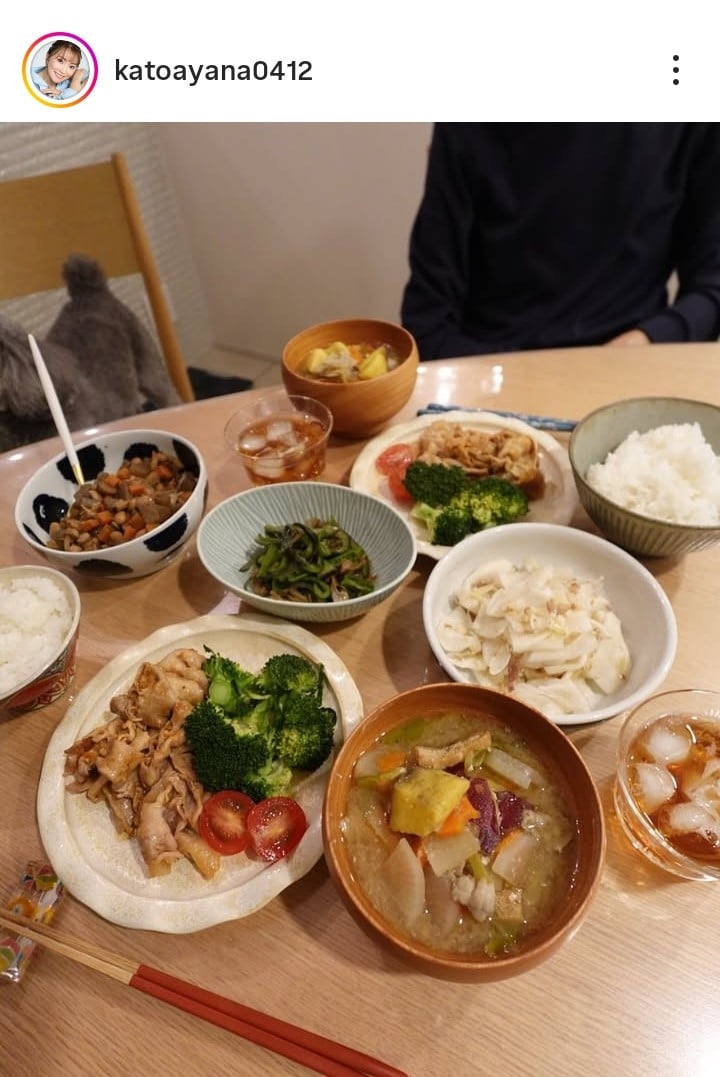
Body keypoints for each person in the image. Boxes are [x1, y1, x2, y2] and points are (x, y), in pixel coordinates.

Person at [400, 123, 720, 360]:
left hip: (631, 367)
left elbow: (711, 286)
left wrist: (644, 341)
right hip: (490, 374)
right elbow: (428, 321)